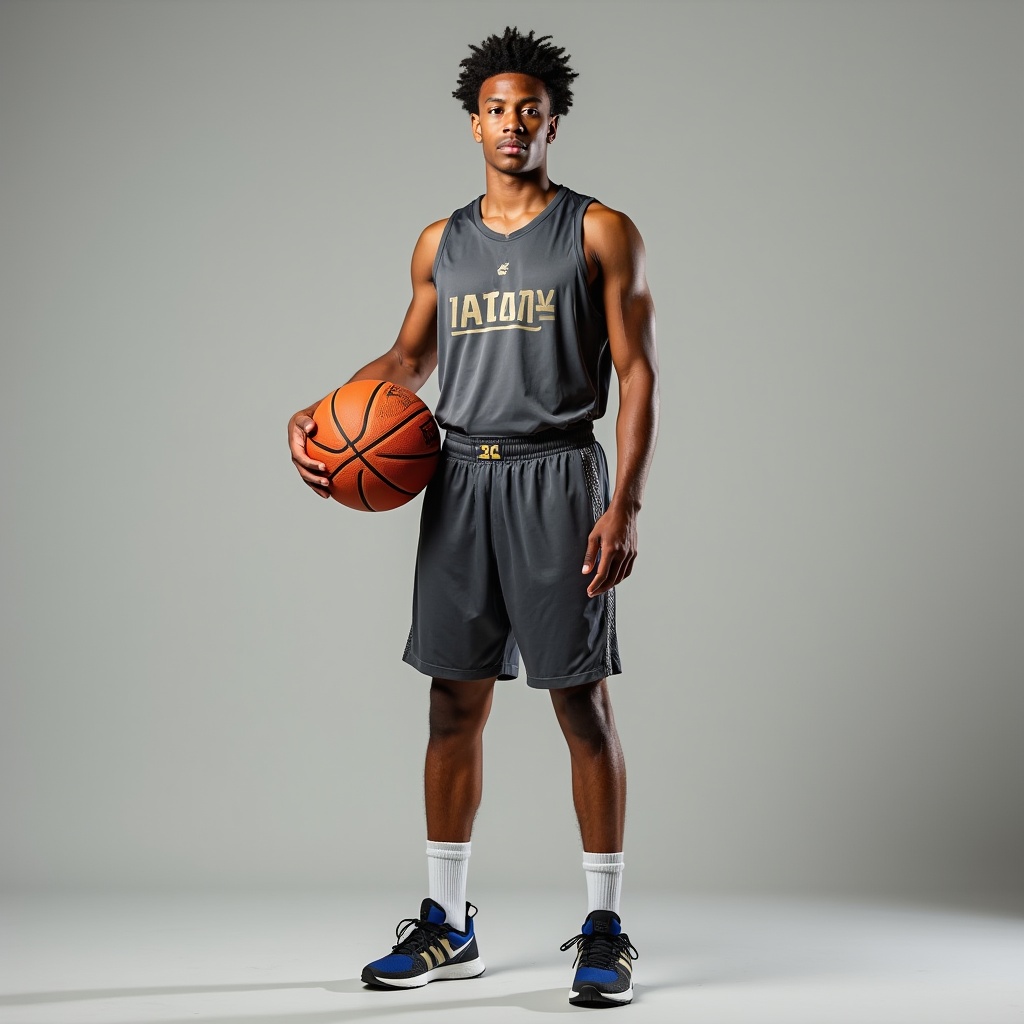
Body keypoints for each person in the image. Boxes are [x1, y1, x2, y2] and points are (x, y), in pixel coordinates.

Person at [288, 27, 658, 1009]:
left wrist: (623, 501)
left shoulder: (597, 230)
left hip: (557, 479)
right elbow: (408, 363)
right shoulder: (436, 242)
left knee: (579, 700)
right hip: (459, 481)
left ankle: (607, 928)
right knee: (452, 703)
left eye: (529, 109)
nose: (513, 123)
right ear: (473, 122)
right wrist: (329, 413)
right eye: (496, 108)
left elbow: (636, 372)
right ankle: (448, 920)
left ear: (552, 122)